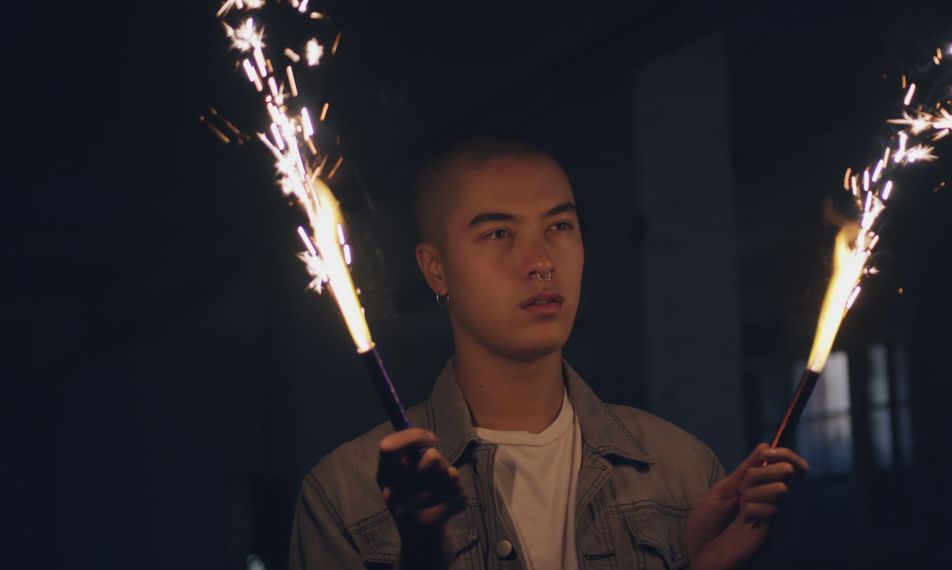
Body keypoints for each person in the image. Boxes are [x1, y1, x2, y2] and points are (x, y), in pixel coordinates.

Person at [289, 138, 809, 569]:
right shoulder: (345, 494)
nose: (540, 261)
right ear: (435, 269)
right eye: (498, 233)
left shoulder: (684, 474)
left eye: (559, 226)